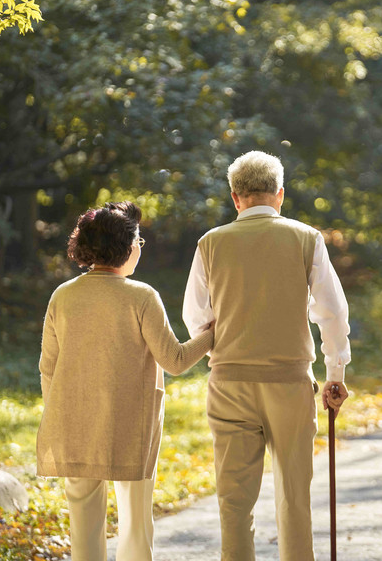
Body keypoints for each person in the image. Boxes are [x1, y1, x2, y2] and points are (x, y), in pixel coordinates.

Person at [183, 151, 351, 561]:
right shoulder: (306, 238)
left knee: (234, 501)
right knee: (294, 495)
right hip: (289, 383)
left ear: (235, 198)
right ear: (279, 195)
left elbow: (196, 318)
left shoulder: (211, 243)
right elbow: (332, 312)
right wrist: (335, 372)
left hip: (229, 384)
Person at [37, 201, 214, 561]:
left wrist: (63, 411)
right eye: (139, 242)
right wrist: (212, 334)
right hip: (130, 424)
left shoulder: (63, 296)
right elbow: (175, 360)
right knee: (136, 521)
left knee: (83, 528)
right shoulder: (141, 297)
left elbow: (48, 369)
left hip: (75, 424)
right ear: (127, 247)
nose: (140, 249)